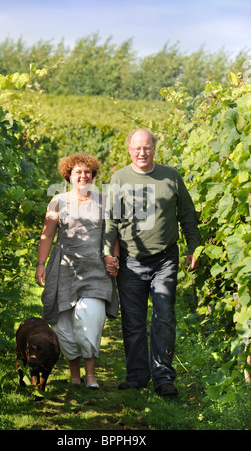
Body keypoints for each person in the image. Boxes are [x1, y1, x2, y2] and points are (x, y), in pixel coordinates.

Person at [102, 129, 200, 397]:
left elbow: (187, 215)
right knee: (133, 322)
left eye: (147, 147)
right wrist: (107, 252)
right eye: (137, 148)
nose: (142, 153)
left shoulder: (171, 176)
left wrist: (194, 247)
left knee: (164, 317)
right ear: (129, 150)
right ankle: (136, 376)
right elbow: (111, 221)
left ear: (155, 148)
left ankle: (163, 378)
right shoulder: (119, 178)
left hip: (165, 258)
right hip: (131, 260)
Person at [35, 152, 119, 388]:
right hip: (64, 268)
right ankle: (74, 375)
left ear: (93, 175)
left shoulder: (104, 201)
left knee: (89, 320)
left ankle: (90, 374)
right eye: (78, 172)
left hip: (95, 269)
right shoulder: (57, 201)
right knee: (64, 323)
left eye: (87, 172)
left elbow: (111, 235)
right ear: (69, 176)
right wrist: (41, 264)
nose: (83, 176)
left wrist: (114, 259)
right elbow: (48, 234)